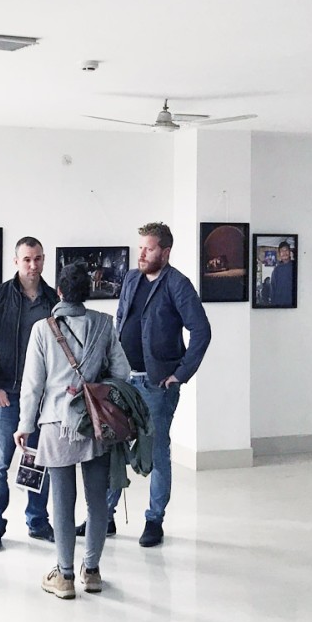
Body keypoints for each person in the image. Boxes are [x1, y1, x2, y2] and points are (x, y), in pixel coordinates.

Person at [15, 262, 130, 599]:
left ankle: (64, 576)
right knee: (97, 502)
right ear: (88, 292)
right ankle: (91, 572)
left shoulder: (43, 329)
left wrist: (24, 425)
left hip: (56, 424)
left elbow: (33, 385)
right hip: (95, 422)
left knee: (62, 503)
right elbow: (122, 372)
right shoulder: (104, 324)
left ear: (59, 292)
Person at [108, 221, 211, 547]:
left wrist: (181, 373)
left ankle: (154, 520)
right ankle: (104, 517)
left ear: (165, 252)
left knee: (157, 451)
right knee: (113, 446)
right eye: (140, 247)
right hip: (124, 380)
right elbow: (120, 319)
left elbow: (201, 331)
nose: (141, 254)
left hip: (156, 386)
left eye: (148, 249)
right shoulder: (131, 278)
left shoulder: (177, 284)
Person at [0, 236, 58, 551]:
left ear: (43, 259)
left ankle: (37, 522)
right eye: (27, 259)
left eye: (38, 258)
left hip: (44, 399)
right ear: (16, 261)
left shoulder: (53, 300)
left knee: (38, 461)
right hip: (7, 395)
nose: (33, 265)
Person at [267, 239, 295, 307]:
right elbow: (273, 289)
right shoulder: (276, 270)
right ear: (279, 254)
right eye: (282, 251)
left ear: (290, 252)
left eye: (286, 250)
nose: (284, 253)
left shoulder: (295, 266)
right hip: (279, 304)